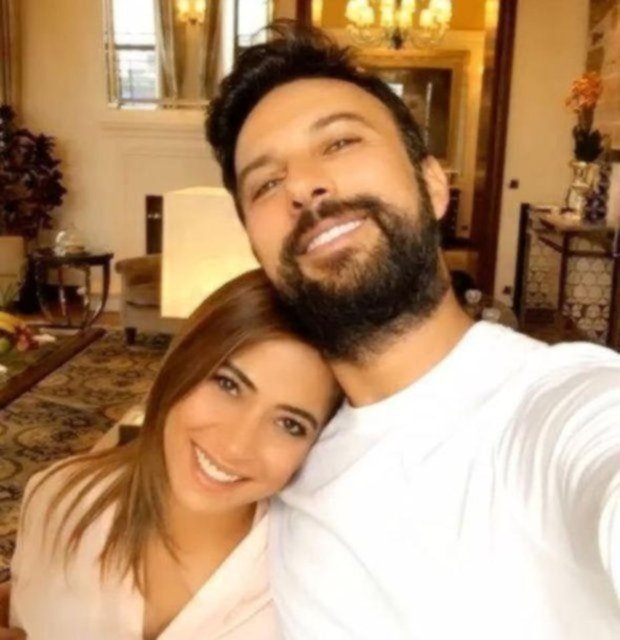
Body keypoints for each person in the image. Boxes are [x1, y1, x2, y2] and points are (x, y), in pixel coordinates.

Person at [205, 22, 620, 639]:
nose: (302, 184)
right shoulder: (276, 455)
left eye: (340, 142)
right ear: (256, 249)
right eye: (265, 183)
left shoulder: (558, 405)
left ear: (432, 184)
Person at [7, 268, 341, 639]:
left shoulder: (322, 591)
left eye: (290, 424)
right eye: (228, 384)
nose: (236, 445)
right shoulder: (57, 499)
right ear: (181, 364)